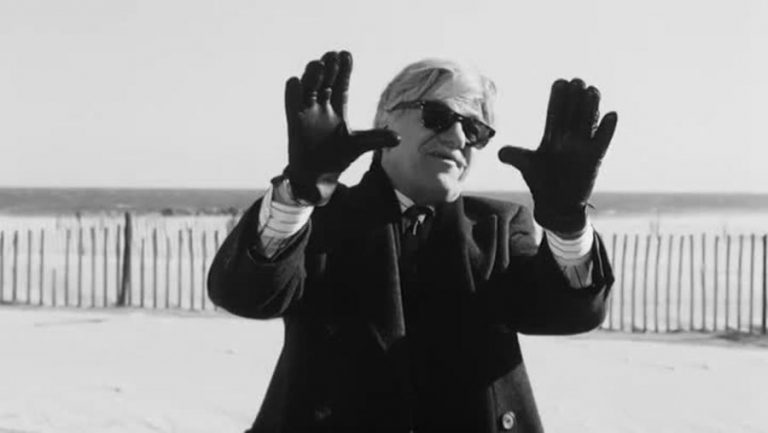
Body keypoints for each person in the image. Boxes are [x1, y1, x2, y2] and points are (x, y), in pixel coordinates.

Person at [208, 50, 618, 433]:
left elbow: (566, 311)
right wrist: (298, 193)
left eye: (474, 129)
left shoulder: (498, 227)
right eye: (439, 115)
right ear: (386, 119)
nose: (458, 137)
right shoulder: (321, 220)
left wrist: (567, 224)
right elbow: (245, 293)